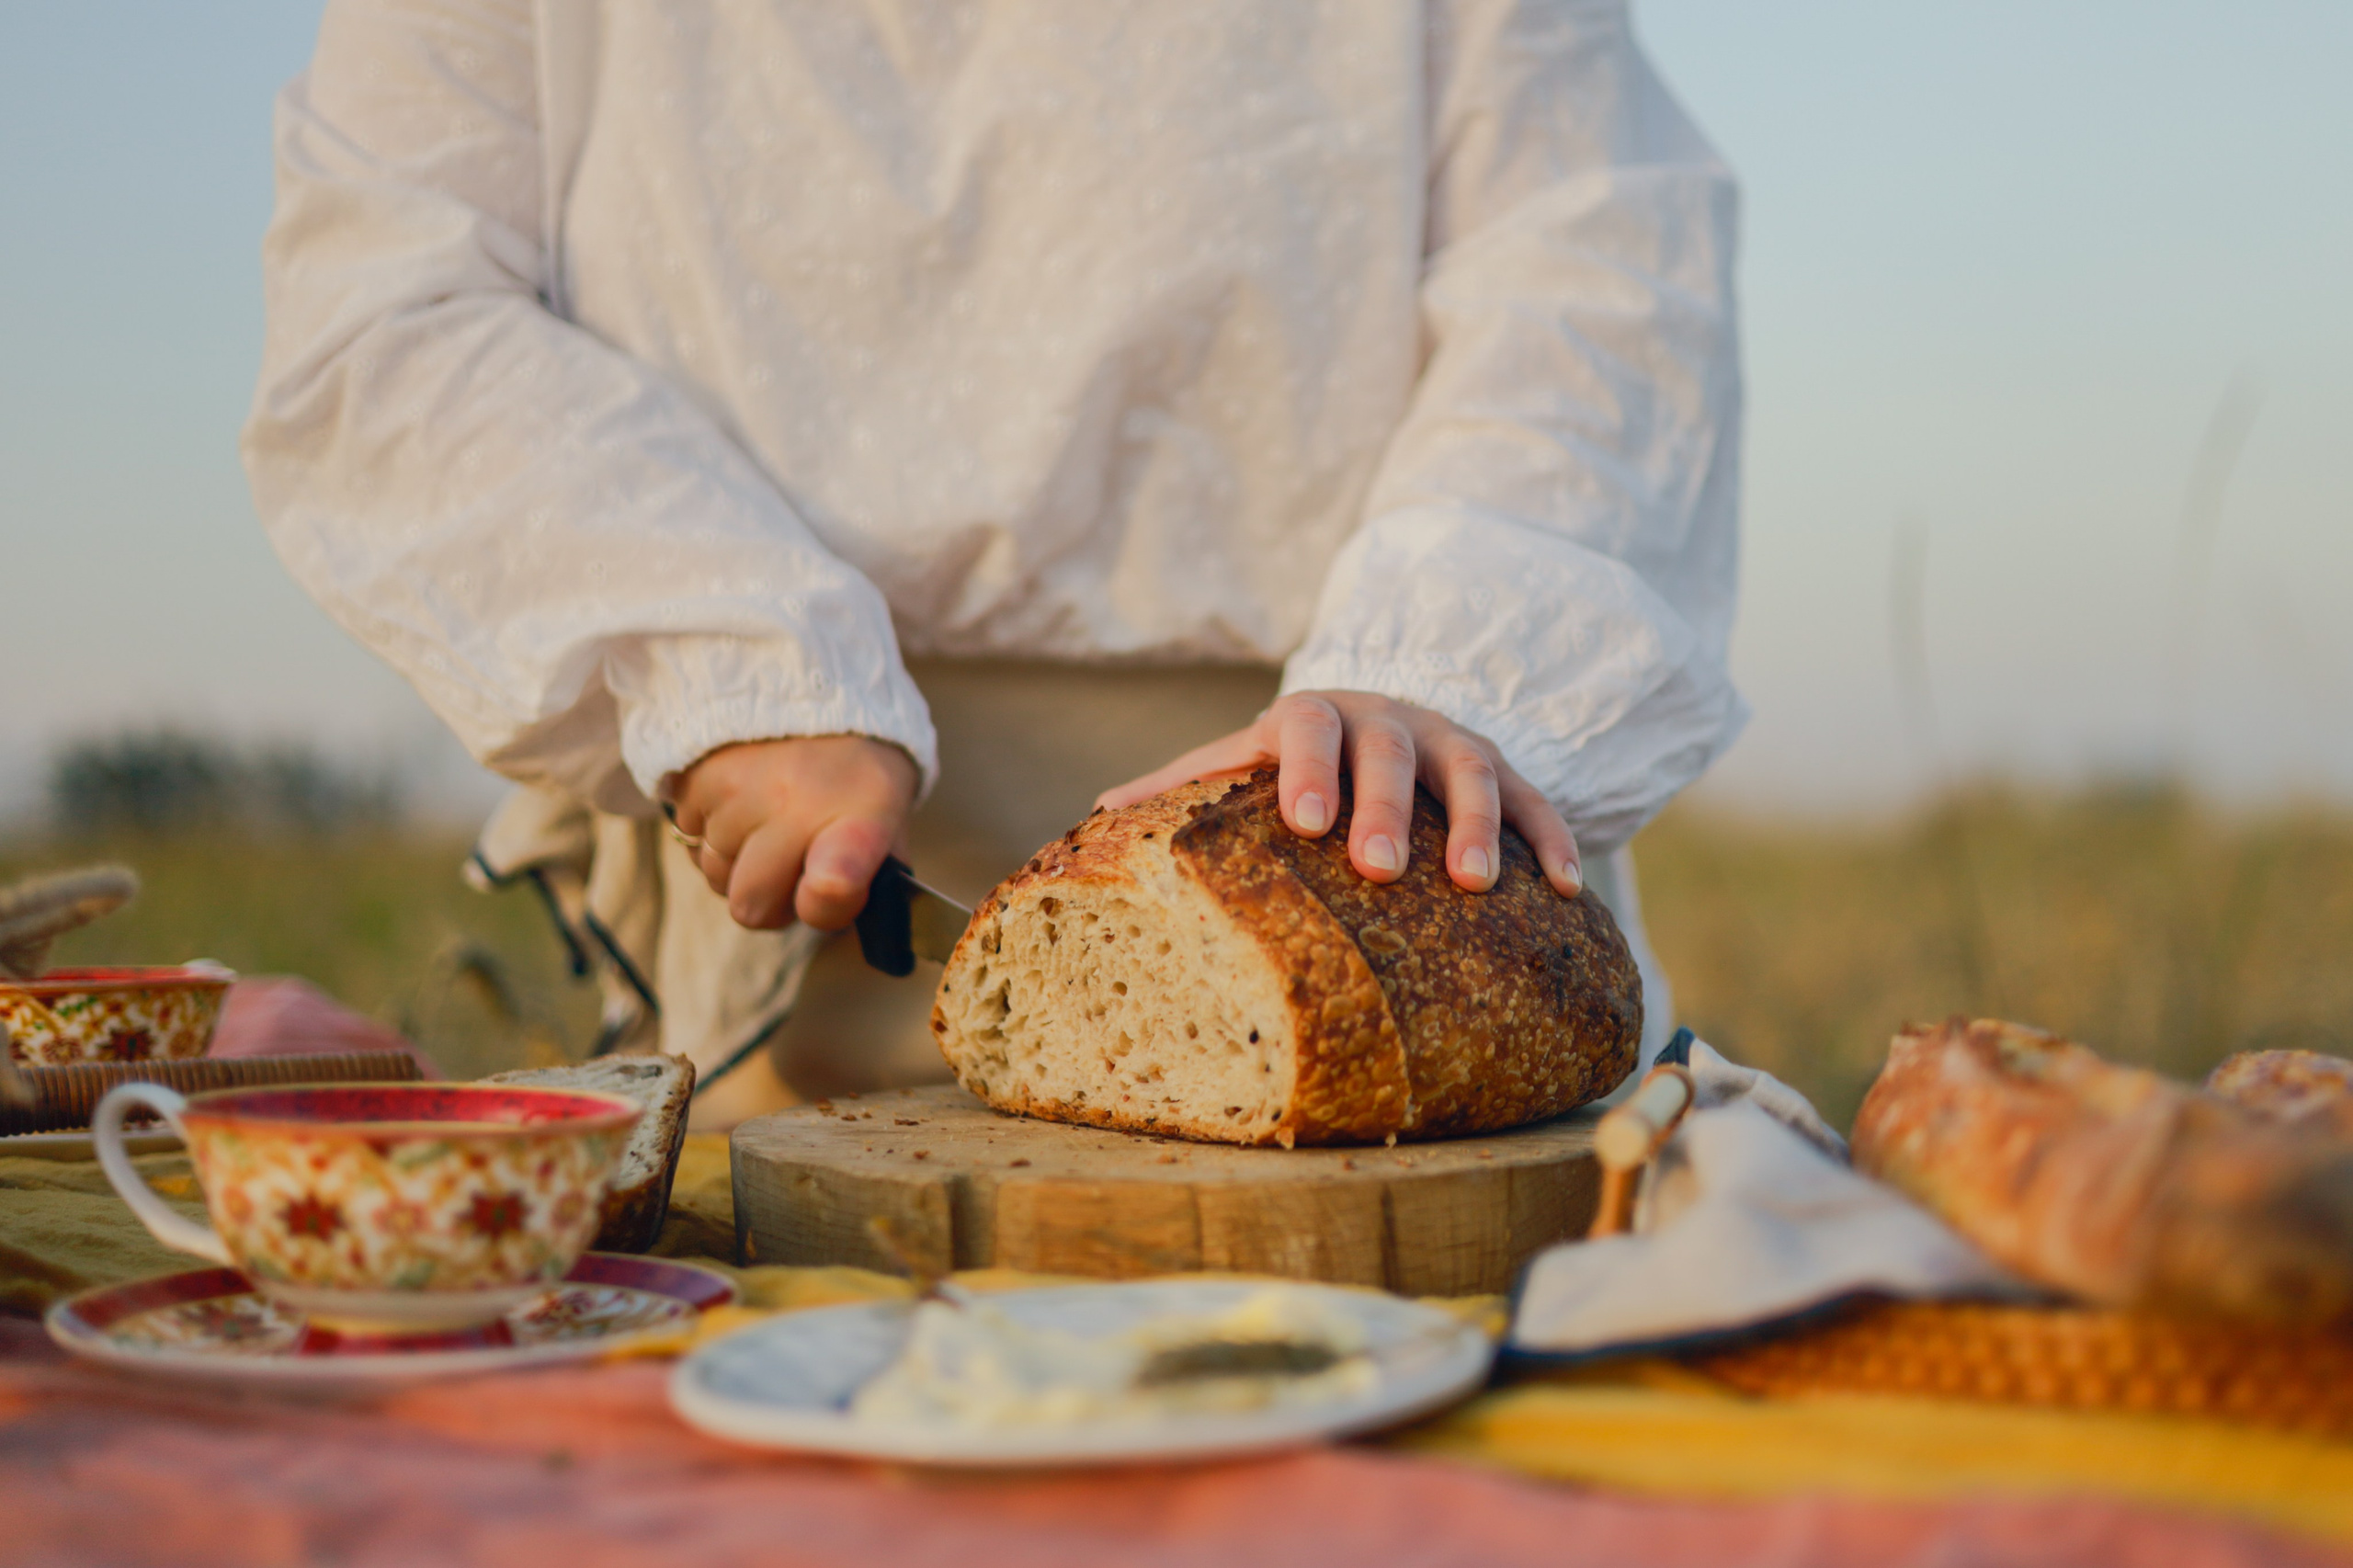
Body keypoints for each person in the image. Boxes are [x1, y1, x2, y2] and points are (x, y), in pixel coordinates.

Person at [244, 0, 1746, 1125]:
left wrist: (1447, 665)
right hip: (781, 922)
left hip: (1394, 848)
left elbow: (1594, 257)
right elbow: (388, 306)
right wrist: (734, 665)